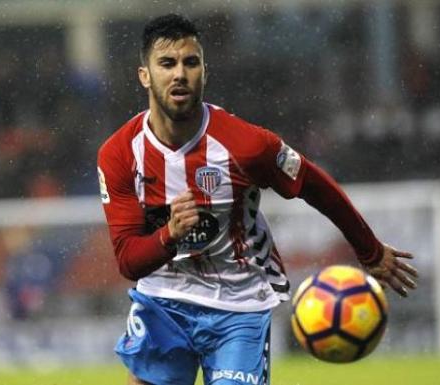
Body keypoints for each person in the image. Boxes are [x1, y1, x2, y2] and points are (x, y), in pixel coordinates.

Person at [97, 14, 418, 385]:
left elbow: (316, 186)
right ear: (145, 76)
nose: (180, 74)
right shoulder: (119, 154)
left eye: (191, 62)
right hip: (163, 302)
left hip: (239, 305)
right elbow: (128, 261)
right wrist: (170, 233)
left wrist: (370, 251)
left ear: (205, 70)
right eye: (167, 64)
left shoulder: (246, 145)